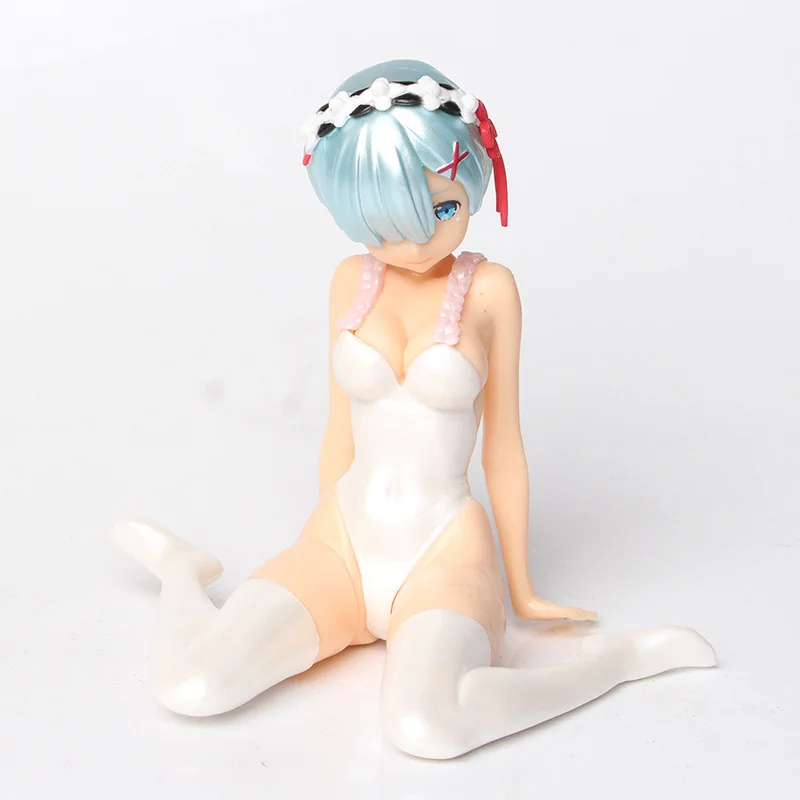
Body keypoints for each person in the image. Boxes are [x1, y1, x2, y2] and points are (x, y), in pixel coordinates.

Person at [111, 59, 715, 760]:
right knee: (191, 686)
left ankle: (615, 663)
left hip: (443, 552)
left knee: (429, 727)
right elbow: (338, 431)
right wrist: (318, 542)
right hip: (340, 541)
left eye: (442, 209)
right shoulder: (351, 280)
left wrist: (522, 588)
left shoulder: (489, 290)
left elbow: (504, 448)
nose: (416, 242)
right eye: (383, 225)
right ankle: (183, 572)